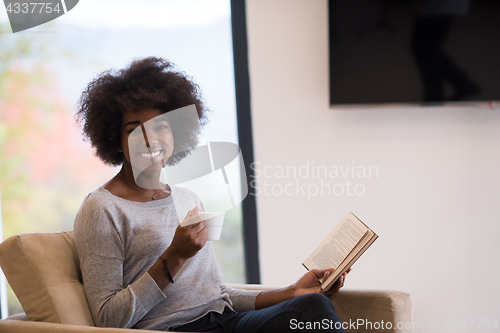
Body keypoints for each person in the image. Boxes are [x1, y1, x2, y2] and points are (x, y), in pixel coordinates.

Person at [74, 57, 349, 332]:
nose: (150, 139)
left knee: (312, 308)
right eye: (135, 130)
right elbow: (108, 318)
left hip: (224, 321)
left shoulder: (188, 198)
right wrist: (174, 257)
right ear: (114, 139)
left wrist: (292, 291)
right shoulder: (102, 208)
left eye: (161, 126)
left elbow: (216, 294)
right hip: (171, 329)